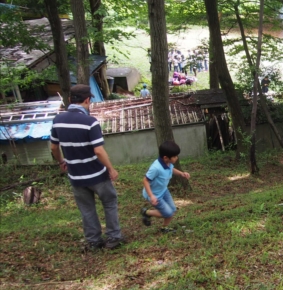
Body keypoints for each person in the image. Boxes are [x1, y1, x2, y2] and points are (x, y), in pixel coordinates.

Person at [50, 85, 124, 250]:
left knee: (87, 209)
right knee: (109, 202)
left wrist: (61, 161)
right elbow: (98, 150)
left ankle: (93, 241)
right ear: (87, 100)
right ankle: (113, 237)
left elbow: (54, 148)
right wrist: (111, 169)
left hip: (76, 176)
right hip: (97, 174)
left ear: (70, 100)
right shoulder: (90, 122)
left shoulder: (57, 120)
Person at [141, 141, 190, 233]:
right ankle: (146, 212)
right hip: (155, 195)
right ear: (166, 158)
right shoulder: (156, 168)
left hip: (164, 191)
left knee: (172, 210)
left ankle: (164, 228)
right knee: (168, 213)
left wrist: (181, 174)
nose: (176, 158)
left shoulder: (168, 163)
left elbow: (171, 169)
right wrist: (151, 196)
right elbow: (145, 180)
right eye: (175, 156)